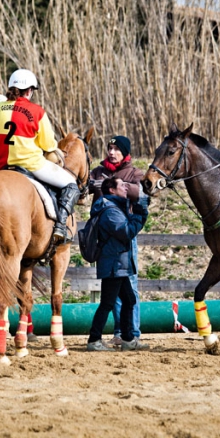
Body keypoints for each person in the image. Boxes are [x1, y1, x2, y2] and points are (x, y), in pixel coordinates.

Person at [0, 69, 80, 242]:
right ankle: (61, 226)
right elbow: (48, 144)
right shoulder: (37, 111)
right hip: (31, 165)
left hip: (1, 165)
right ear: (30, 90)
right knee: (71, 185)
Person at [89, 135, 144, 346]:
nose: (111, 152)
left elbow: (143, 190)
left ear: (125, 152)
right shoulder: (97, 171)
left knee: (129, 292)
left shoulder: (133, 172)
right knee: (112, 299)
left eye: (116, 149)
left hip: (125, 234)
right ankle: (117, 335)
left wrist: (122, 186)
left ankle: (131, 333)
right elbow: (83, 186)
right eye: (109, 148)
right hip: (111, 237)